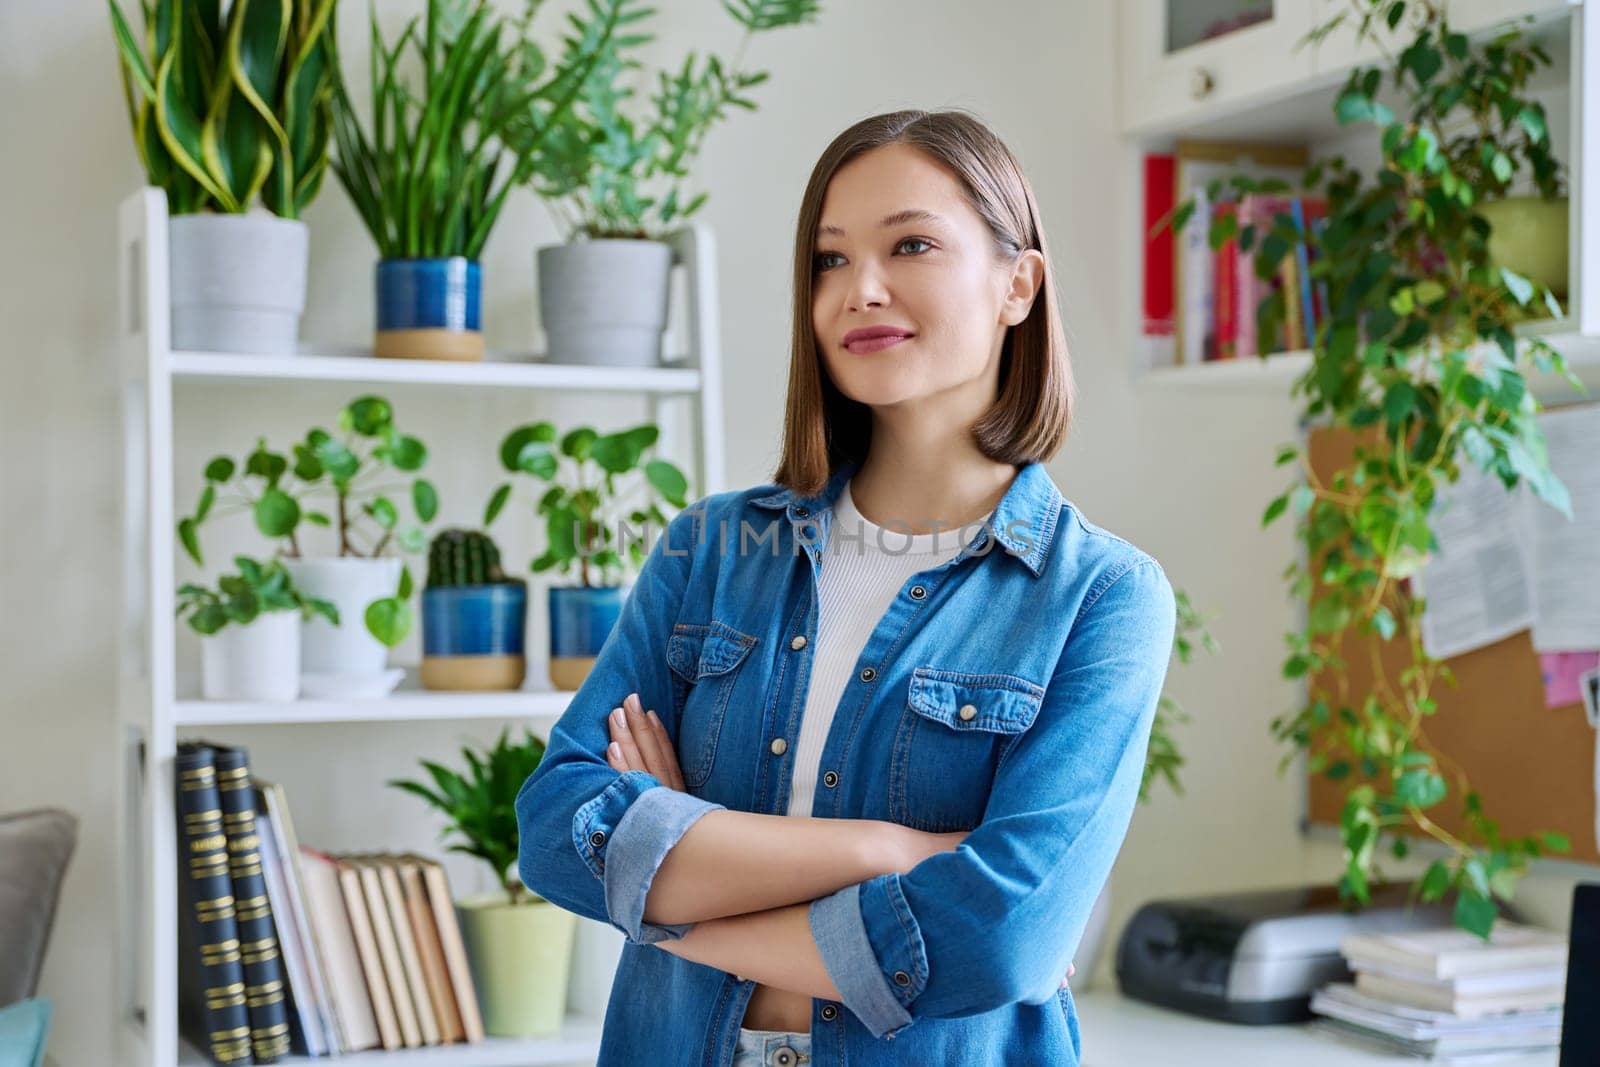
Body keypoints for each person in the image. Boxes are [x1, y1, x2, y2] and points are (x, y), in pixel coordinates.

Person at [515, 108, 1177, 1067]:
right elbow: (555, 826)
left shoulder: (1102, 597)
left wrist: (671, 884)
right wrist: (889, 849)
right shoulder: (709, 548)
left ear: (1018, 285)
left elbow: (1005, 936)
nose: (860, 289)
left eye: (910, 244)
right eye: (829, 260)